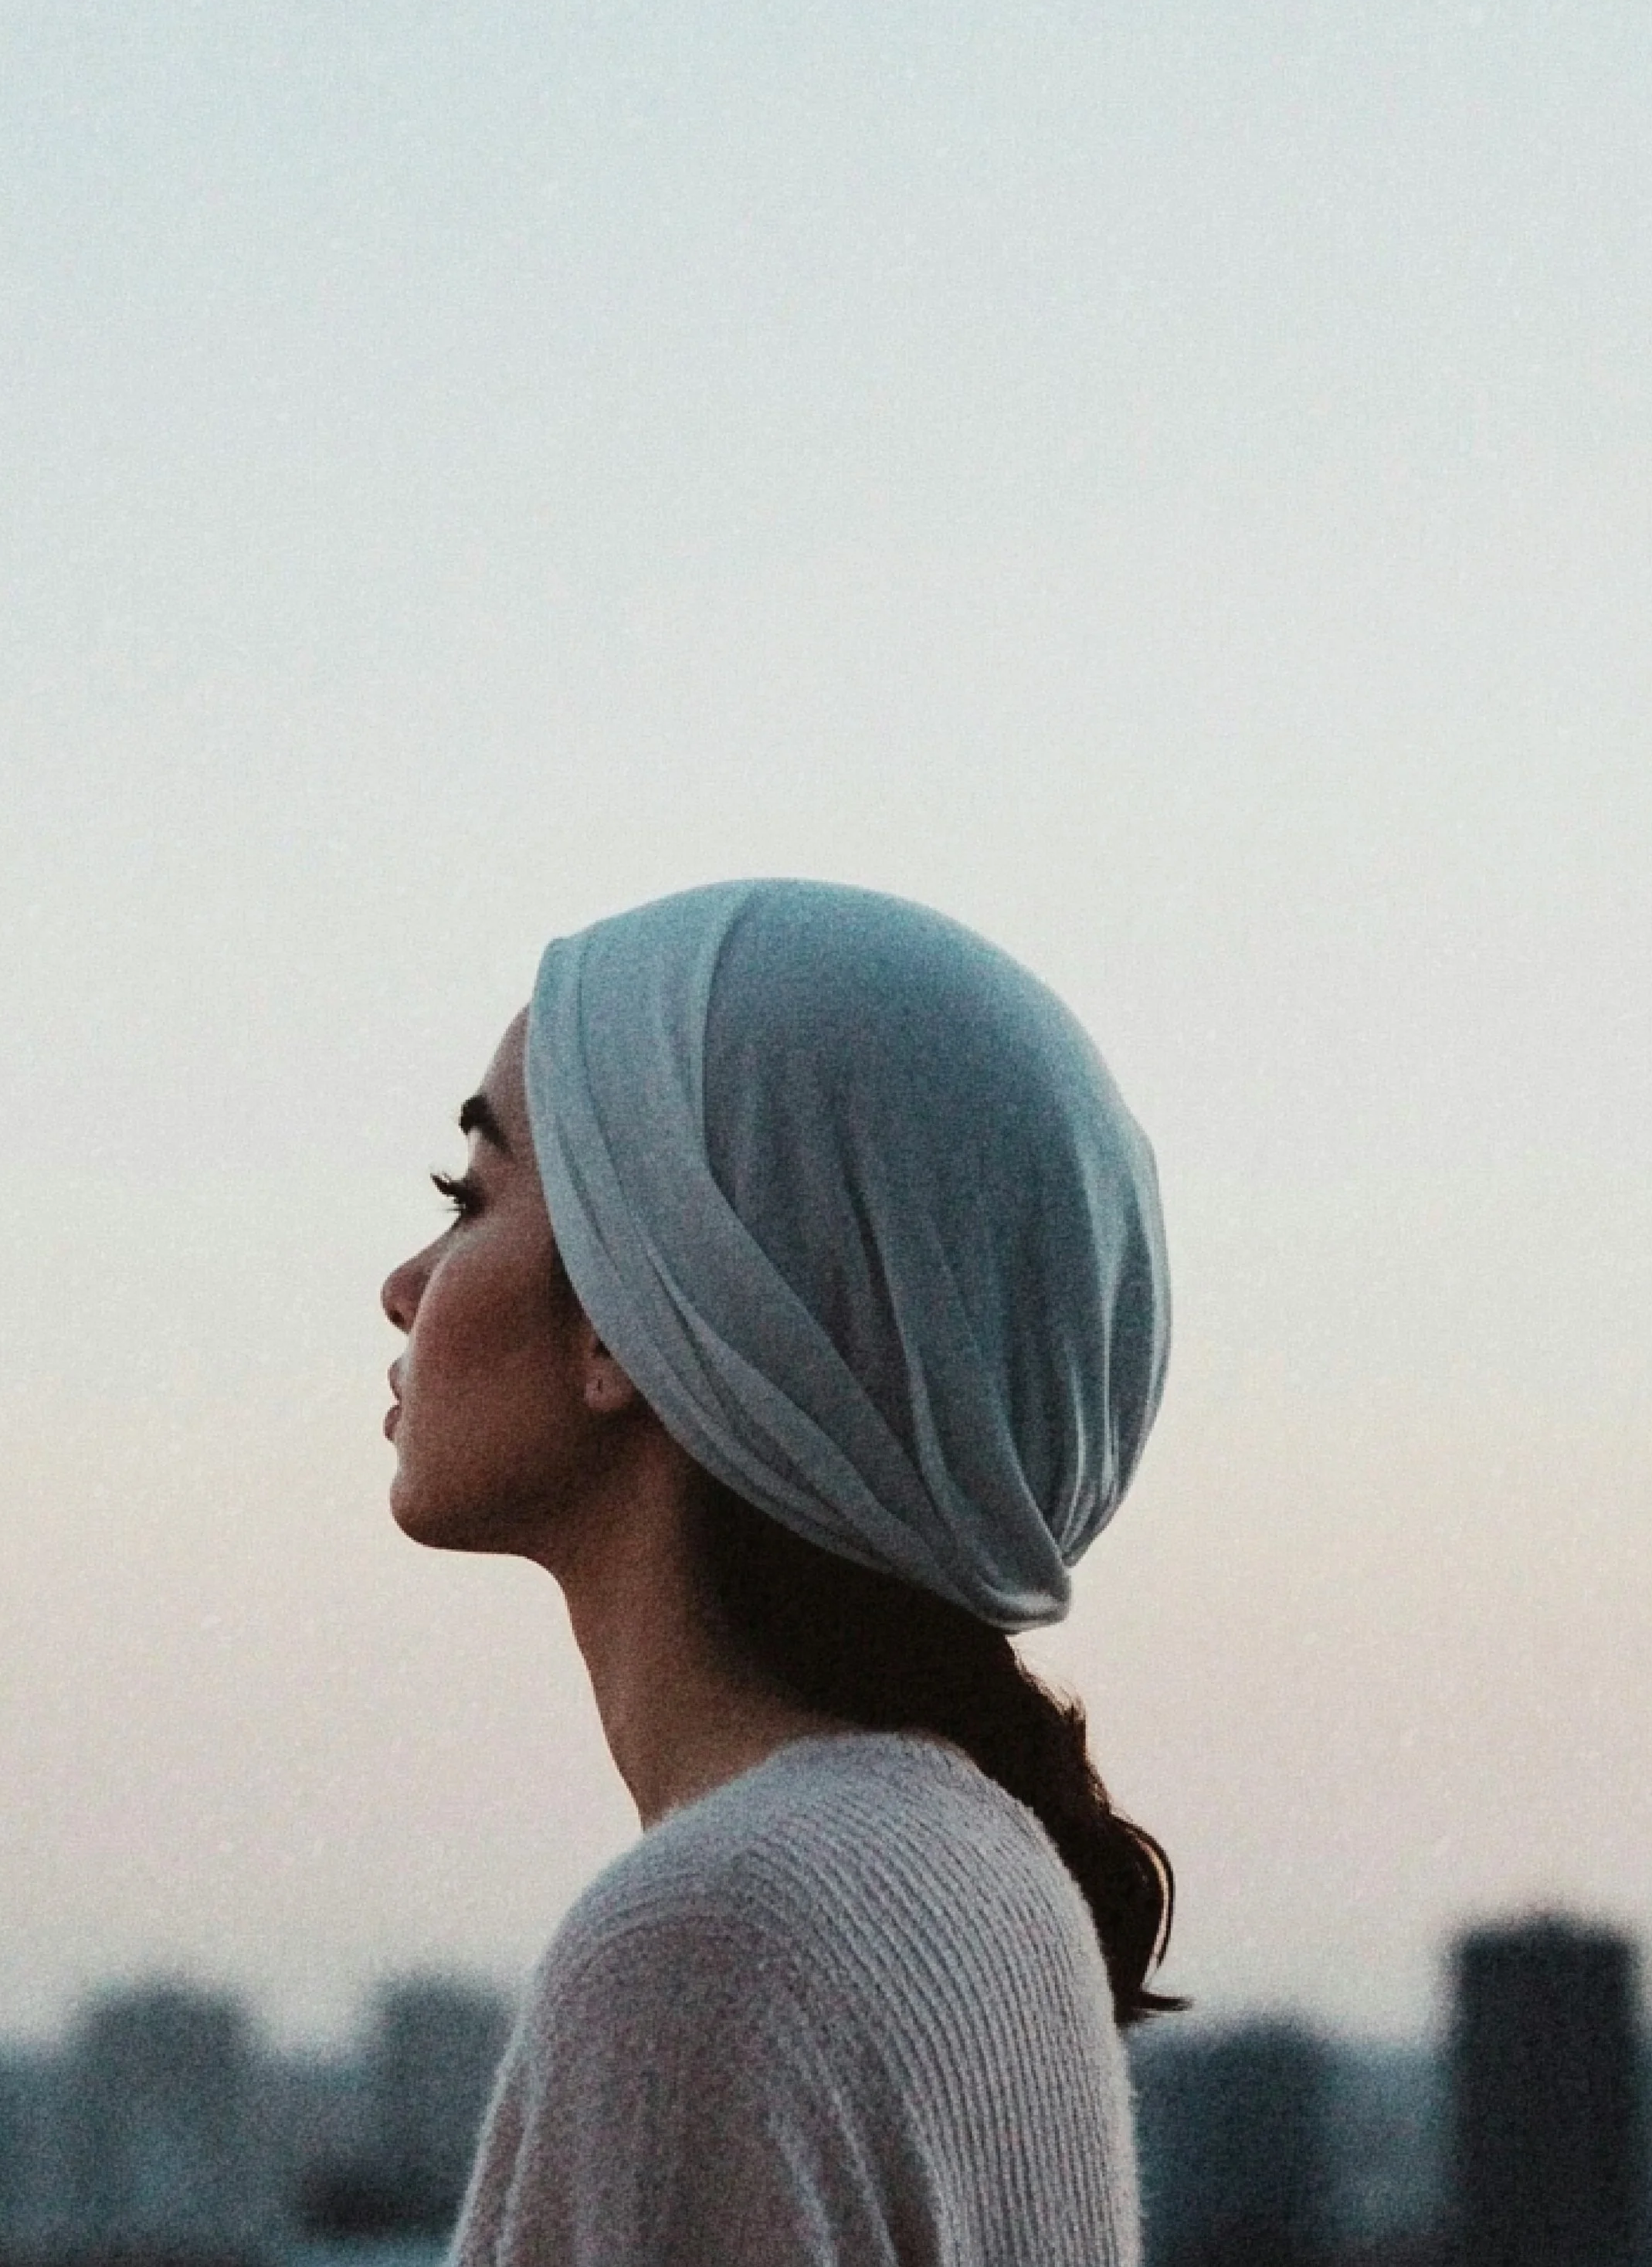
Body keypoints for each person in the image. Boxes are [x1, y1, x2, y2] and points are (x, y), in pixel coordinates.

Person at [381, 879, 1175, 2266]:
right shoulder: (977, 1867)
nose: (406, 1281)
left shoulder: (707, 1945)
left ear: (628, 1323)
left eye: (471, 1199)